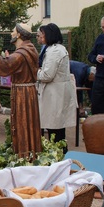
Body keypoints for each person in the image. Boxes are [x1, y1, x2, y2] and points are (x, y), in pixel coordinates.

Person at [0, 23, 43, 157]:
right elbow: (10, 63)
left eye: (13, 31)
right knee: (27, 123)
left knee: (23, 124)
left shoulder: (22, 53)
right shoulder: (29, 49)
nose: (11, 33)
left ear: (19, 35)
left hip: (23, 95)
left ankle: (24, 154)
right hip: (28, 92)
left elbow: (6, 66)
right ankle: (29, 151)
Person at [37, 23, 77, 153]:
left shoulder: (55, 51)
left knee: (56, 130)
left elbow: (47, 75)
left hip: (55, 95)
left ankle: (59, 158)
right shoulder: (55, 49)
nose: (40, 37)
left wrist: (34, 72)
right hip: (56, 94)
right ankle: (59, 156)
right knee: (57, 129)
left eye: (42, 34)